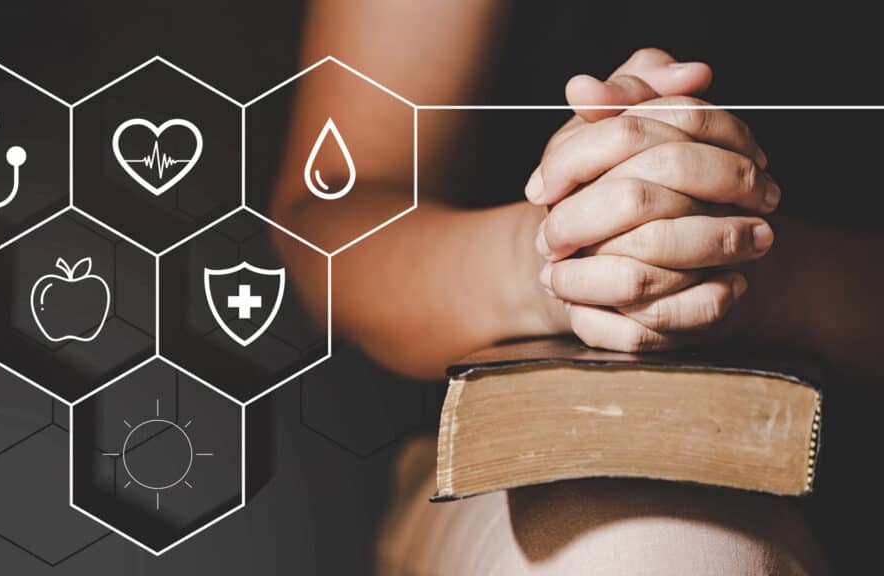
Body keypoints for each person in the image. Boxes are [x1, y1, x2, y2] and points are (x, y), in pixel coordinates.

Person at [271, 2, 884, 573]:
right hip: (512, 464)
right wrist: (555, 252)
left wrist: (748, 265)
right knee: (652, 555)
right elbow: (328, 220)